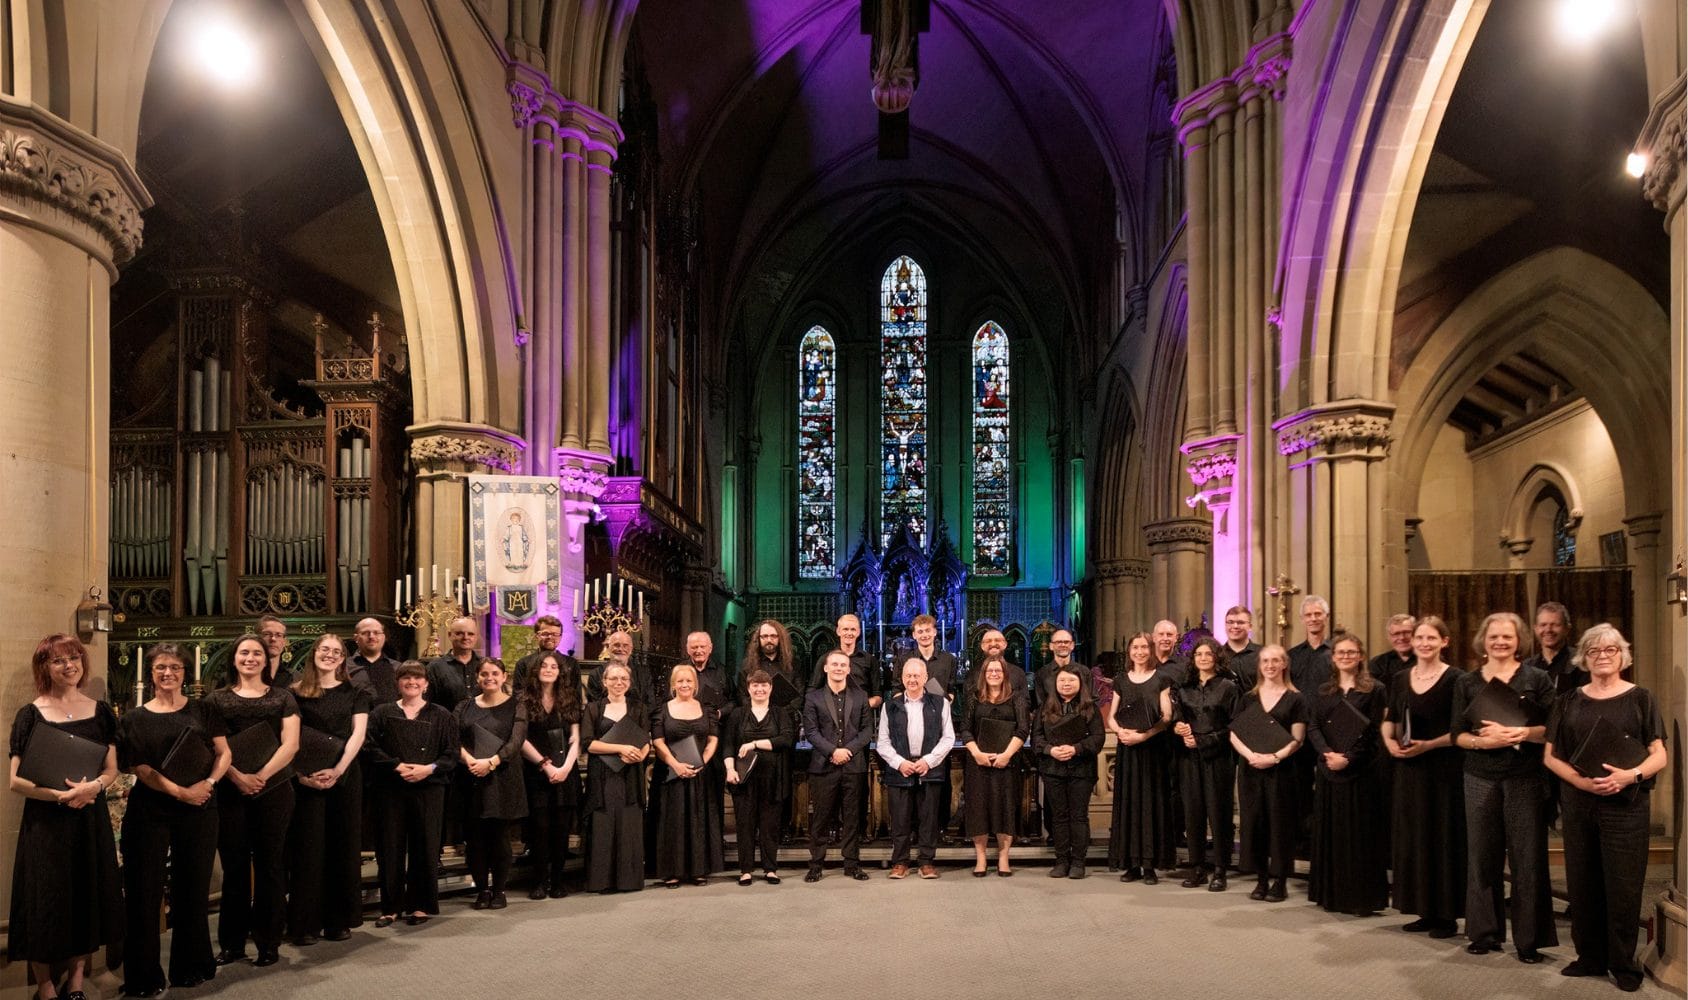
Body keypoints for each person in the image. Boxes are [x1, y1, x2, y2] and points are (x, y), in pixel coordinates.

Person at [1543, 624, 1667, 993]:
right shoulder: (1567, 700)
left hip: (1626, 805)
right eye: (1594, 650)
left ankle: (1623, 962)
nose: (1602, 655)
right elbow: (1550, 756)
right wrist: (1579, 782)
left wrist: (1631, 775)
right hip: (1579, 803)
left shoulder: (1641, 698)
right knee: (1583, 882)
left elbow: (1659, 754)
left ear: (1622, 656)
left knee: (1623, 886)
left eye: (1610, 650)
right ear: (1584, 657)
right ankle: (1590, 957)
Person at [9, 635, 124, 1000]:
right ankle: (44, 986)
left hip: (88, 820)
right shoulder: (30, 714)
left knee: (85, 896)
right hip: (46, 823)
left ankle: (75, 981)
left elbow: (112, 769)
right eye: (58, 660)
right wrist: (62, 795)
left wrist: (93, 789)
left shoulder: (101, 711)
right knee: (43, 900)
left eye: (74, 658)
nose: (69, 665)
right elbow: (16, 781)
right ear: (44, 667)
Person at [118, 643, 231, 997]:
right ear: (150, 674)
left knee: (193, 889)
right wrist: (181, 792)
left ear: (185, 673)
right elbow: (141, 767)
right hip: (150, 810)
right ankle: (143, 976)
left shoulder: (204, 708)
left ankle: (190, 965)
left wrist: (208, 784)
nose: (168, 673)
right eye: (161, 668)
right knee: (143, 892)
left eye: (175, 668)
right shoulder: (133, 719)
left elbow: (224, 752)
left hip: (200, 807)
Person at [1450, 611, 1557, 963]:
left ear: (1519, 640)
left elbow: (1553, 729)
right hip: (1479, 776)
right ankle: (1485, 933)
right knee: (1482, 856)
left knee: (1527, 859)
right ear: (1484, 640)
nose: (1500, 642)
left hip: (1525, 776)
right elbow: (1458, 735)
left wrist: (1521, 734)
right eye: (1494, 636)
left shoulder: (1537, 678)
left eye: (1507, 637)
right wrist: (1484, 743)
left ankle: (1529, 941)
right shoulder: (1466, 682)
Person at [207, 633, 300, 967]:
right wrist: (237, 777)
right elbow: (214, 747)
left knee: (269, 867)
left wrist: (261, 775)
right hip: (231, 791)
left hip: (274, 791)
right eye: (244, 652)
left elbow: (290, 745)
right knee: (233, 869)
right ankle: (232, 944)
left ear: (265, 659)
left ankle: (268, 942)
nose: (250, 658)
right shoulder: (216, 700)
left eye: (257, 653)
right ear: (234, 659)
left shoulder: (283, 697)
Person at [1382, 616, 1465, 938]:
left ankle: (1446, 915)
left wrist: (1428, 745)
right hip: (1409, 770)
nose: (1424, 643)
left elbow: (1461, 730)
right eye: (1420, 638)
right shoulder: (1401, 678)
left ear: (1444, 642)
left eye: (1432, 638)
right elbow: (1389, 720)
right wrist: (1390, 743)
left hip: (1443, 771)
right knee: (1414, 838)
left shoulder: (1457, 679)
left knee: (1442, 839)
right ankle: (1424, 909)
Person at [286, 633, 370, 944]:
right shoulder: (294, 692)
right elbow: (289, 738)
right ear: (314, 654)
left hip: (344, 775)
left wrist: (337, 769)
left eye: (336, 651)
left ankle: (337, 920)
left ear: (343, 658)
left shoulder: (356, 691)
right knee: (308, 850)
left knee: (342, 847)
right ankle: (305, 924)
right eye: (325, 649)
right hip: (306, 779)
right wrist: (301, 775)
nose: (330, 655)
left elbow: (358, 735)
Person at [365, 660, 457, 926]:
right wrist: (396, 766)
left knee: (425, 846)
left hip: (429, 788)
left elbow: (451, 754)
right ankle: (390, 907)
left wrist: (428, 769)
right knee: (389, 847)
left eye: (417, 678)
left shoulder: (442, 715)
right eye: (406, 678)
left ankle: (420, 905)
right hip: (391, 788)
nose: (412, 682)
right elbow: (370, 747)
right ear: (398, 683)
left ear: (426, 684)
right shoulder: (382, 713)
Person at [1306, 634, 1388, 916]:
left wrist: (1349, 759)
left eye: (1351, 652)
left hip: (1361, 772)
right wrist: (1327, 754)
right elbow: (1313, 726)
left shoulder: (1374, 689)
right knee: (1332, 834)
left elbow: (1376, 732)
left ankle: (1360, 898)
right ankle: (1332, 895)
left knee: (1359, 836)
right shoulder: (1324, 690)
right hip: (1329, 771)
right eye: (1340, 652)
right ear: (1333, 657)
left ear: (1361, 656)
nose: (1345, 657)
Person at [1231, 644, 1306, 902]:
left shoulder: (1296, 698)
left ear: (1284, 664)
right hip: (1251, 770)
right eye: (1265, 661)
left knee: (1279, 826)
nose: (1270, 666)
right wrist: (1250, 756)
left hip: (1281, 772)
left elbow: (1298, 739)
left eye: (1275, 661)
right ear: (1259, 666)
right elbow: (1234, 733)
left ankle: (1280, 881)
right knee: (1255, 824)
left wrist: (1273, 758)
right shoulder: (1249, 698)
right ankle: (1261, 879)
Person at [454, 658, 528, 910]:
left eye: (495, 673)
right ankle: (482, 890)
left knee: (499, 837)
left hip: (503, 777)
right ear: (477, 678)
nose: (489, 677)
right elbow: (453, 739)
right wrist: (470, 761)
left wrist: (492, 762)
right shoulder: (464, 706)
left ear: (504, 676)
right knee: (474, 839)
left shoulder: (517, 706)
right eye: (484, 674)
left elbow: (516, 741)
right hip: (470, 775)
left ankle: (499, 890)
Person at [877, 658, 955, 879]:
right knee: (900, 819)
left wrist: (929, 760)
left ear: (925, 677)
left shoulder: (941, 703)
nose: (912, 679)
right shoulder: (889, 706)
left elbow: (948, 737)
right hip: (900, 769)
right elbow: (883, 741)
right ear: (902, 678)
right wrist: (899, 762)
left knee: (929, 819)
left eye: (916, 676)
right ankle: (900, 862)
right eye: (908, 676)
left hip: (929, 769)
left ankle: (926, 862)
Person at [1173, 636, 1240, 891]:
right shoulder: (1185, 688)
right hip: (1189, 759)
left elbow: (1234, 726)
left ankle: (1220, 870)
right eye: (1199, 654)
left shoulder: (1228, 687)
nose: (1203, 658)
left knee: (1219, 813)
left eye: (1208, 654)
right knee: (1194, 814)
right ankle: (1197, 867)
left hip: (1218, 757)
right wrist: (1178, 727)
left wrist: (1204, 741)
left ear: (1216, 658)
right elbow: (1178, 718)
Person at [1106, 631, 1174, 882]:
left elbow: (1166, 717)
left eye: (1144, 647)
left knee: (1150, 803)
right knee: (1129, 803)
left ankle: (1149, 865)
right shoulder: (1121, 680)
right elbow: (1111, 716)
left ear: (1151, 650)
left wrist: (1144, 736)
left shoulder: (1161, 678)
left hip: (1151, 749)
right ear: (1129, 651)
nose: (1140, 652)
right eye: (1135, 647)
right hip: (1128, 750)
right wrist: (1120, 730)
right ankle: (1131, 863)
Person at [802, 649, 874, 881]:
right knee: (821, 818)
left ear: (849, 668)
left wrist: (848, 751)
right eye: (834, 664)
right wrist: (833, 751)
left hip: (854, 766)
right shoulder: (812, 698)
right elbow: (811, 732)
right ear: (825, 668)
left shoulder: (861, 696)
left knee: (852, 818)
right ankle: (816, 865)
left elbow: (867, 731)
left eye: (843, 665)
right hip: (824, 765)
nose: (838, 668)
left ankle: (852, 864)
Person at [518, 649, 582, 899]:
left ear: (560, 672)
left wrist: (565, 767)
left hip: (565, 772)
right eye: (544, 666)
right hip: (537, 772)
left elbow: (575, 737)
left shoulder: (570, 699)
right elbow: (520, 739)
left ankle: (557, 880)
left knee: (561, 830)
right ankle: (539, 881)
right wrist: (546, 765)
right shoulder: (524, 700)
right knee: (539, 830)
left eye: (553, 667)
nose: (548, 669)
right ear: (536, 670)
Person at [652, 663, 722, 887]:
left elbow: (712, 739)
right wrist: (675, 764)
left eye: (689, 681)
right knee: (673, 821)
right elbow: (658, 742)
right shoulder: (663, 710)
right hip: (671, 775)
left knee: (699, 819)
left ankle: (698, 870)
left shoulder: (707, 708)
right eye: (680, 681)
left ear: (695, 684)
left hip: (700, 774)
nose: (684, 684)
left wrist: (702, 762)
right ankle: (672, 871)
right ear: (673, 684)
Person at [584, 662, 650, 893]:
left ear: (629, 683)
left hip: (630, 774)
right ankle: (602, 881)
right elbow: (588, 744)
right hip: (603, 775)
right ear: (604, 682)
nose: (619, 683)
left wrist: (639, 757)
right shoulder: (593, 709)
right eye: (613, 678)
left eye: (623, 678)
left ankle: (628, 880)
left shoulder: (638, 708)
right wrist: (620, 749)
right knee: (604, 824)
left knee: (628, 823)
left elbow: (645, 741)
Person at [724, 669, 794, 884]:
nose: (760, 689)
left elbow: (786, 739)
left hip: (773, 778)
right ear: (749, 688)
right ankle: (745, 870)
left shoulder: (780, 713)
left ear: (771, 688)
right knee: (745, 825)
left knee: (769, 825)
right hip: (745, 779)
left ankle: (770, 868)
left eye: (764, 685)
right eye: (755, 685)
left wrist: (754, 744)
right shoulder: (737, 714)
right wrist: (730, 769)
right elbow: (727, 745)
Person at [1035, 663, 1105, 879]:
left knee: (1078, 816)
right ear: (1055, 684)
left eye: (1071, 680)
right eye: (1062, 680)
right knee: (1059, 816)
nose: (1066, 684)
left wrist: (1076, 749)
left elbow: (1098, 739)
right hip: (1053, 769)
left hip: (1080, 770)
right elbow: (1036, 738)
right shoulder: (1045, 708)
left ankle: (1078, 862)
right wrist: (1050, 750)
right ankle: (1061, 860)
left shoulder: (1089, 708)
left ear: (1080, 683)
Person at [959, 656, 1027, 876]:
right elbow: (966, 729)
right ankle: (980, 858)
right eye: (990, 671)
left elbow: (1023, 729)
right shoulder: (974, 698)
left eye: (998, 670)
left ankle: (1003, 857)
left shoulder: (1016, 698)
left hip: (1006, 762)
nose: (994, 674)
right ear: (983, 674)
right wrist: (977, 753)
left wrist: (1007, 754)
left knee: (1005, 808)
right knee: (979, 809)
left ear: (1005, 674)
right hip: (978, 762)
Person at [808, 614, 880, 707]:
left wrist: (862, 707)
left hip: (860, 713)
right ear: (838, 631)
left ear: (858, 632)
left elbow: (878, 696)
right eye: (845, 629)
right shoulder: (825, 659)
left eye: (853, 629)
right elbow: (812, 691)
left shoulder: (869, 660)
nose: (849, 633)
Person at [1525, 601, 1587, 696]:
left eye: (1555, 625)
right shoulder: (1527, 667)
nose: (1548, 630)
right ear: (1535, 629)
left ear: (1567, 628)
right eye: (1543, 625)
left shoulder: (1582, 662)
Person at [425, 617, 485, 711]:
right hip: (447, 723)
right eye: (459, 633)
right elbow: (427, 704)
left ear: (476, 637)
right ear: (450, 635)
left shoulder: (485, 665)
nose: (465, 637)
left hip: (482, 724)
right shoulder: (435, 667)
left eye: (470, 634)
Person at [896, 614, 958, 698]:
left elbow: (951, 690)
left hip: (940, 709)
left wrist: (944, 707)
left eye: (928, 630)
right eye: (920, 632)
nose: (924, 635)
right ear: (914, 635)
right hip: (911, 709)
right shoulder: (903, 660)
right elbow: (897, 690)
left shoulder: (949, 659)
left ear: (935, 632)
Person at [513, 615, 573, 690]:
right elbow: (517, 696)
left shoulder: (572, 664)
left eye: (555, 634)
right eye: (545, 634)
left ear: (560, 637)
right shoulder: (523, 664)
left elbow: (576, 698)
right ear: (536, 636)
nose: (550, 637)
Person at [348, 617, 400, 703]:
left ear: (383, 637)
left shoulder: (398, 668)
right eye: (365, 633)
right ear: (356, 638)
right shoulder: (344, 667)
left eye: (376, 633)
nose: (371, 636)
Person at [978, 628, 1029, 701]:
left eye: (997, 640)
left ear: (1005, 645)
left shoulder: (1018, 673)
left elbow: (1025, 704)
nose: (993, 644)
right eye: (988, 641)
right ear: (982, 646)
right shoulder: (972, 674)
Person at [1219, 606, 1262, 689]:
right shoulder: (1216, 654)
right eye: (1230, 622)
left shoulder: (1263, 654)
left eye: (1240, 622)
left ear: (1250, 626)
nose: (1235, 626)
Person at [256, 614, 294, 689]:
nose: (273, 639)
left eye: (279, 635)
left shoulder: (295, 678)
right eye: (267, 634)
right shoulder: (241, 676)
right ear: (256, 638)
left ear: (284, 642)